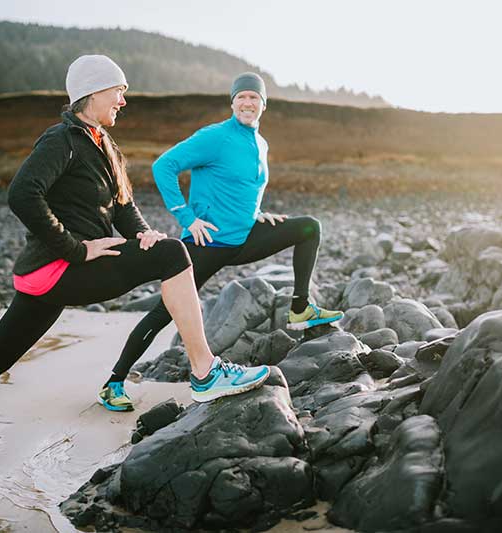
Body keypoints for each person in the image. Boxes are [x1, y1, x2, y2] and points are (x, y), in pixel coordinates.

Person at [0, 56, 270, 472]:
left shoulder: (104, 144)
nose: (123, 100)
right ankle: (206, 373)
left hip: (50, 277)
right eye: (118, 91)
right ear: (94, 91)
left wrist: (144, 234)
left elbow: (124, 208)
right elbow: (23, 194)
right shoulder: (62, 139)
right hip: (64, 268)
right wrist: (76, 249)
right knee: (176, 254)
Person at [97, 72, 344, 412]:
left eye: (253, 97)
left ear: (263, 104)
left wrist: (257, 214)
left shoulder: (260, 143)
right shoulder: (215, 137)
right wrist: (186, 217)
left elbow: (245, 185)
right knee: (164, 311)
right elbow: (164, 166)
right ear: (232, 103)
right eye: (241, 97)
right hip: (208, 244)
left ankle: (300, 307)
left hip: (244, 238)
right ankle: (114, 382)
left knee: (308, 228)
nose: (247, 103)